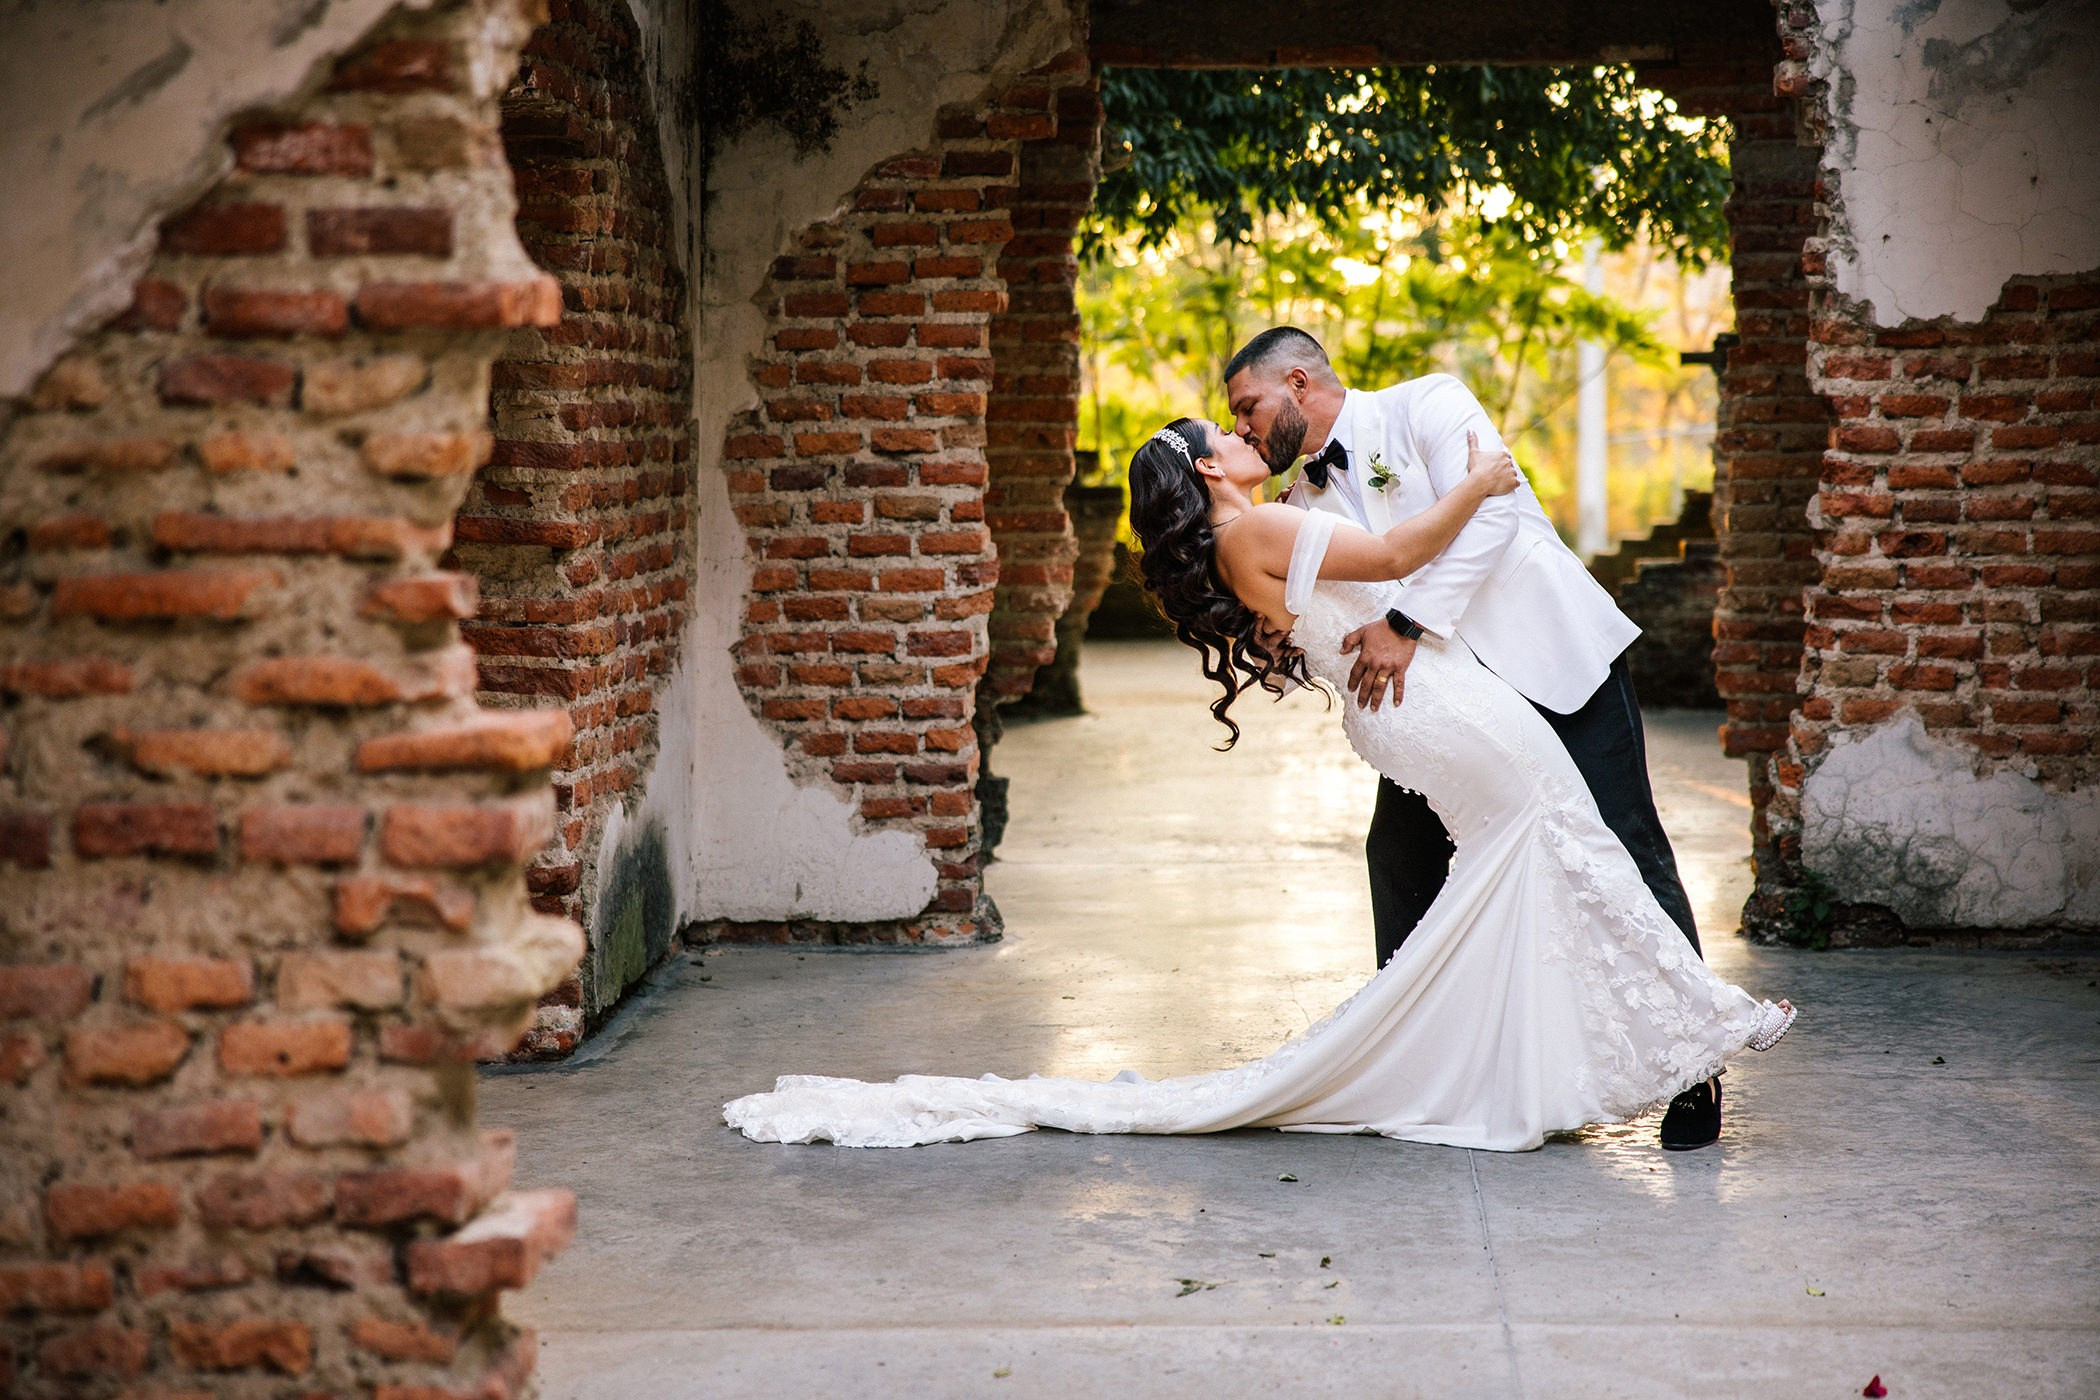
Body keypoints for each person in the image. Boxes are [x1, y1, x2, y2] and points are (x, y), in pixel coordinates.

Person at [721, 419, 1793, 1152]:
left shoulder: (1243, 535)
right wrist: (1482, 479)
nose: (1237, 433)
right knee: (1561, 834)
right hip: (1435, 712)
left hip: (1404, 720)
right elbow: (1397, 549)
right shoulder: (1259, 527)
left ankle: (1525, 1063)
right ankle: (1694, 1025)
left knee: (1530, 861)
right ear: (1205, 471)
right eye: (1218, 432)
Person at [1222, 327, 1723, 1150]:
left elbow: (1493, 516)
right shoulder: (1296, 506)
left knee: (1625, 839)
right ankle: (1418, 1065)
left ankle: (1695, 1066)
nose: (1243, 428)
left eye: (1249, 407)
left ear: (1300, 383)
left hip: (1549, 659)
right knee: (1400, 855)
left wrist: (1407, 623)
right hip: (1451, 709)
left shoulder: (1428, 402)